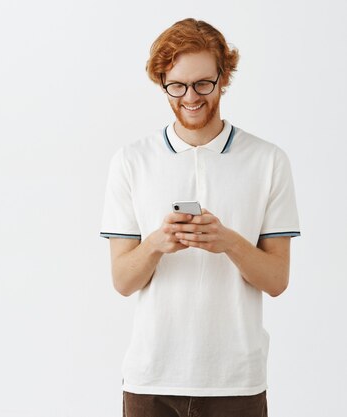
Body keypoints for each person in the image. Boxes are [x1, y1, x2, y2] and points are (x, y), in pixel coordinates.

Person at [99, 18, 300, 417]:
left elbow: (277, 281)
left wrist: (229, 242)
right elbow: (123, 281)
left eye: (203, 83)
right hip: (150, 380)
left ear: (223, 78)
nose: (190, 96)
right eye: (176, 85)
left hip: (236, 381)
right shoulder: (130, 161)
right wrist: (156, 244)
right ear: (163, 84)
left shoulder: (268, 161)